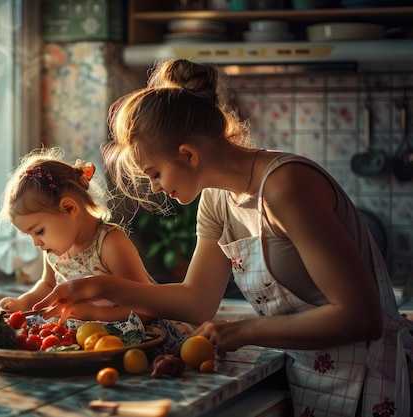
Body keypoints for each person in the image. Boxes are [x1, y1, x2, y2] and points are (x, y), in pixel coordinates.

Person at [34, 59, 413, 417]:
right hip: (311, 376)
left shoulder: (285, 186)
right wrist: (100, 286)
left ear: (187, 154)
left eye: (154, 173)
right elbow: (196, 301)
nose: (156, 187)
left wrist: (246, 329)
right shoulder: (216, 200)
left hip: (371, 380)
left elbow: (361, 318)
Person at [0, 147, 157, 323]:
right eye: (29, 235)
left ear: (69, 208)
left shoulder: (110, 244)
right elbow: (48, 285)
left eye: (39, 231)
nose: (36, 243)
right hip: (88, 341)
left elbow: (148, 309)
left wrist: (96, 314)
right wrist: (23, 302)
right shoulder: (55, 250)